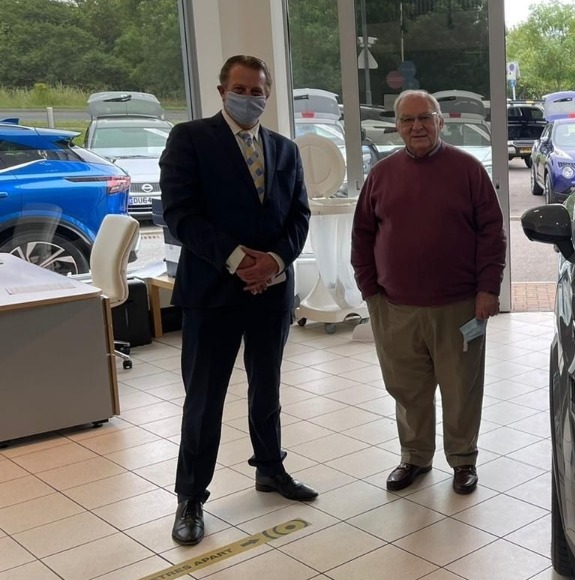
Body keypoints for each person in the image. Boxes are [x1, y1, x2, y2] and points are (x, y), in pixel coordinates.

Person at [160, 54, 318, 546]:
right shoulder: (190, 139)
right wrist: (236, 260)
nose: (250, 98)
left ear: (268, 94)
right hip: (212, 292)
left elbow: (299, 215)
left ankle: (270, 467)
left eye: (258, 91)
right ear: (221, 90)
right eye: (241, 89)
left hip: (271, 291)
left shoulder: (285, 149)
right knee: (204, 398)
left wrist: (274, 261)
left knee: (267, 386)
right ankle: (191, 497)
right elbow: (179, 214)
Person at [351, 90, 506, 495]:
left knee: (461, 389)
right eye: (407, 120)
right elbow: (362, 236)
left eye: (425, 118)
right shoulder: (381, 175)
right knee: (407, 388)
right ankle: (415, 457)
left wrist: (488, 289)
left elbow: (492, 233)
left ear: (440, 122)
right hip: (395, 306)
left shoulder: (468, 170)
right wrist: (371, 292)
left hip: (459, 307)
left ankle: (463, 459)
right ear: (397, 126)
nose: (416, 126)